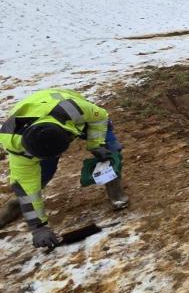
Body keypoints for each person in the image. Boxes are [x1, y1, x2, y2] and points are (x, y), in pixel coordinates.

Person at [0, 88, 129, 249]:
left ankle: (115, 192)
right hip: (39, 126)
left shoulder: (73, 109)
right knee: (43, 173)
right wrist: (38, 227)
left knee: (111, 150)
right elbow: (26, 185)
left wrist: (96, 145)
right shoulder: (17, 148)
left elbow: (100, 116)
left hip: (75, 118)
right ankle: (17, 205)